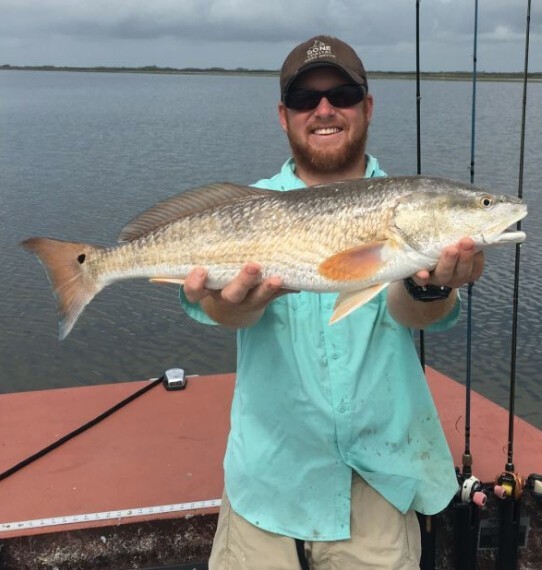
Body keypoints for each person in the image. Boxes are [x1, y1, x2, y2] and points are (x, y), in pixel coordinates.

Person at [180, 35, 484, 570]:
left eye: (342, 94)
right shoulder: (246, 207)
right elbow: (225, 312)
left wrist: (431, 284)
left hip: (379, 489)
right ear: (284, 115)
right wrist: (230, 305)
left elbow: (414, 311)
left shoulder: (408, 205)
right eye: (305, 99)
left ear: (366, 107)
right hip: (266, 489)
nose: (324, 109)